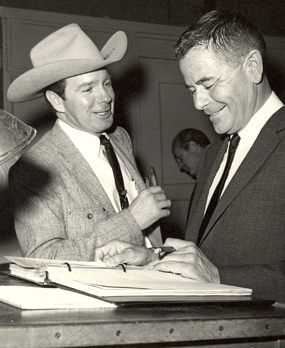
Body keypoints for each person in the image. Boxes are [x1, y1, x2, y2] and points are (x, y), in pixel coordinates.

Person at [95, 10, 285, 304]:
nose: (199, 102)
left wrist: (219, 278)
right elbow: (204, 255)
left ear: (253, 67)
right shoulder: (215, 153)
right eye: (192, 89)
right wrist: (155, 259)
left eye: (209, 84)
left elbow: (214, 271)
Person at [7, 23, 171, 261]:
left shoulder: (120, 138)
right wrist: (132, 221)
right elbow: (44, 258)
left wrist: (157, 255)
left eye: (106, 83)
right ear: (56, 101)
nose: (105, 97)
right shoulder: (34, 170)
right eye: (87, 89)